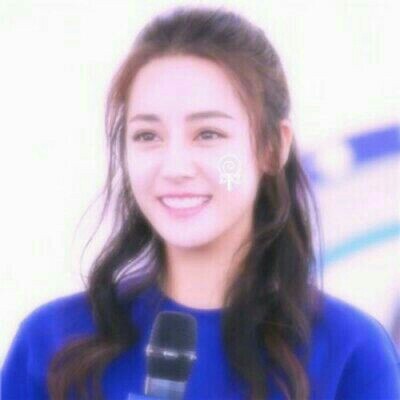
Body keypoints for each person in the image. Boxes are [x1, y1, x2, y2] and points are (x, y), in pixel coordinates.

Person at [1, 5, 400, 400]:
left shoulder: (351, 353)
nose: (175, 167)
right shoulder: (53, 344)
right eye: (147, 136)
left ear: (272, 148)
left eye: (208, 134)